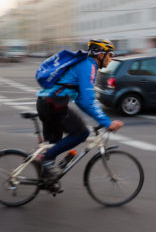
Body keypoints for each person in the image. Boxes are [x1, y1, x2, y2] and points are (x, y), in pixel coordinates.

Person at [36, 39, 124, 183]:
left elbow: (81, 100)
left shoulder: (87, 64)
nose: (111, 59)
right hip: (53, 104)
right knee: (81, 133)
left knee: (54, 145)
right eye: (109, 55)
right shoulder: (88, 66)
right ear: (100, 54)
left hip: (47, 103)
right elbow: (87, 101)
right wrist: (106, 122)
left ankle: (46, 181)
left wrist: (100, 118)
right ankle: (46, 160)